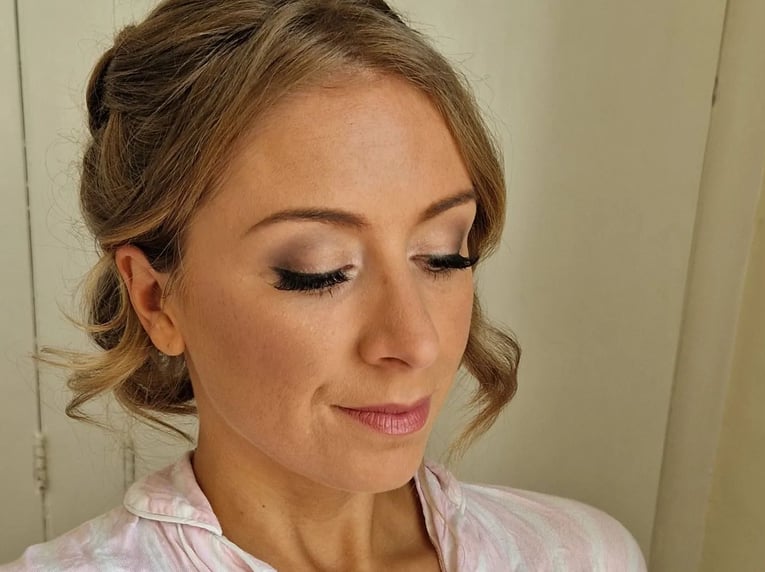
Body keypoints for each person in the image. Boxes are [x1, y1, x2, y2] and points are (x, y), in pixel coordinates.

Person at [4, 0, 646, 570]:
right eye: (319, 271)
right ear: (155, 299)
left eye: (442, 256)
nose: (416, 342)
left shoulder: (583, 556)